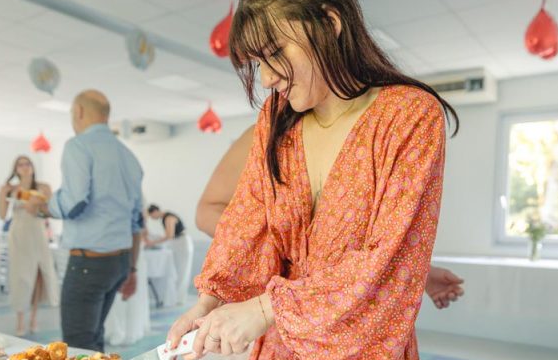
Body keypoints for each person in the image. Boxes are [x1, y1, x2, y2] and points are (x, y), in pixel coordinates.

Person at [168, 0, 460, 360]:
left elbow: (389, 260)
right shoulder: (277, 120)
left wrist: (267, 308)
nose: (265, 78)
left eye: (273, 53)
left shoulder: (409, 118)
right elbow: (250, 223)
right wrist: (209, 303)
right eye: (257, 63)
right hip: (282, 358)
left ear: (330, 22)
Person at [196, 126, 464, 309]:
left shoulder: (383, 128)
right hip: (283, 316)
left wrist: (416, 273)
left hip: (360, 322)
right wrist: (271, 254)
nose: (266, 78)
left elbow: (370, 241)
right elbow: (207, 211)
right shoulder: (267, 132)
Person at [31, 90, 144, 353]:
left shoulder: (78, 145)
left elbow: (74, 202)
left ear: (79, 112)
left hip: (89, 263)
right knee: (94, 338)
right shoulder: (129, 157)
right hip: (118, 262)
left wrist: (43, 208)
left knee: (78, 345)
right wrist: (132, 269)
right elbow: (136, 221)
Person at [0, 155, 60, 336]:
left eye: (27, 164)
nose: (24, 167)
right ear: (15, 169)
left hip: (38, 233)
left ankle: (33, 318)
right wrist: (3, 194)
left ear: (32, 167)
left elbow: (50, 212)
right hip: (18, 234)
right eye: (20, 165)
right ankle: (20, 320)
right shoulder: (10, 190)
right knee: (20, 276)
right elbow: (2, 215)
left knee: (39, 275)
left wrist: (35, 206)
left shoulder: (43, 187)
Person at [146, 204, 193, 305]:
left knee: (182, 271)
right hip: (177, 243)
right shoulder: (164, 218)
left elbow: (169, 235)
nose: (152, 218)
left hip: (182, 243)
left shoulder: (168, 217)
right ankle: (175, 298)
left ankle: (179, 299)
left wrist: (153, 242)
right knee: (176, 270)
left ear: (155, 211)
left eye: (151, 215)